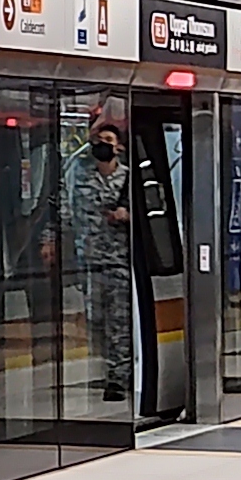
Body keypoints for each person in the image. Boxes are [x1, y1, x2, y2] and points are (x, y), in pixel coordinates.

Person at [68, 109, 139, 401]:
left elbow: (150, 216)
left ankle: (118, 379)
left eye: (108, 140)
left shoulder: (130, 179)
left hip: (118, 262)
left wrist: (127, 216)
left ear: (118, 147)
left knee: (118, 324)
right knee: (95, 321)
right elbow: (66, 210)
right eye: (98, 140)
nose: (102, 145)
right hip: (89, 262)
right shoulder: (80, 175)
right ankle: (108, 369)